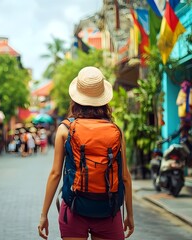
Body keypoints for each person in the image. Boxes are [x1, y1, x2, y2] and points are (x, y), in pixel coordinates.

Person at [38, 66, 134, 240]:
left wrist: (44, 214)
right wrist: (130, 215)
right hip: (108, 211)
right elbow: (125, 177)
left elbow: (55, 174)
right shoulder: (115, 131)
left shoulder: (65, 129)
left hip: (74, 210)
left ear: (76, 98)